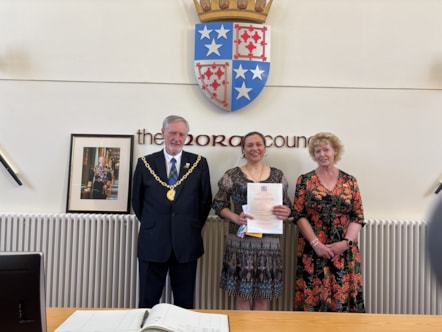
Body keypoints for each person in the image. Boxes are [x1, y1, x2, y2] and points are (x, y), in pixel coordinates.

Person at [132, 115, 212, 309]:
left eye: (181, 134)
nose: (177, 138)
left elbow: (205, 202)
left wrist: (187, 226)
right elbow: (137, 201)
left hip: (186, 243)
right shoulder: (145, 163)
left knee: (184, 303)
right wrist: (156, 224)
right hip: (153, 242)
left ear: (186, 137)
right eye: (173, 133)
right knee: (147, 302)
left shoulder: (199, 163)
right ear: (163, 133)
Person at [212, 131, 292, 310]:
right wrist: (234, 217)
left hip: (269, 244)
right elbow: (218, 204)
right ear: (243, 150)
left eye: (258, 144)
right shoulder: (232, 175)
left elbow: (288, 206)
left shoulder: (278, 175)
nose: (254, 148)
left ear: (264, 148)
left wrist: (286, 211)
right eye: (250, 145)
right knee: (242, 296)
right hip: (240, 242)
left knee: (263, 297)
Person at [292, 132, 365, 312]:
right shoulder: (305, 180)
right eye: (318, 151)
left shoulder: (350, 181)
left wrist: (345, 243)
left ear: (335, 152)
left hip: (344, 251)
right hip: (313, 250)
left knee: (344, 301)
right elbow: (298, 215)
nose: (322, 154)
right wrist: (316, 243)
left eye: (326, 150)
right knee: (314, 301)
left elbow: (358, 216)